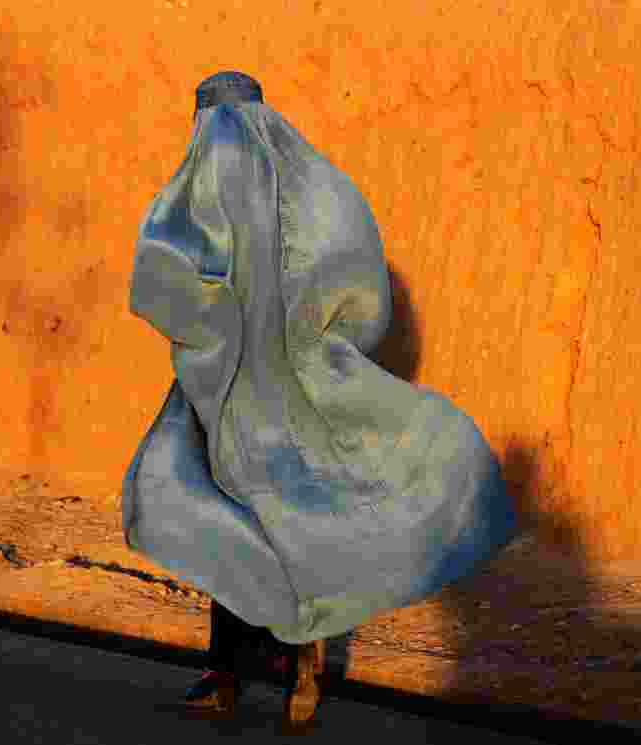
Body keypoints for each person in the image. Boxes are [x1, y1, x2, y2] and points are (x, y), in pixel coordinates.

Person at [122, 71, 519, 727]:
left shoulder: (252, 195)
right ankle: (252, 667)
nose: (223, 146)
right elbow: (187, 281)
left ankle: (279, 665)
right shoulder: (280, 193)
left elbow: (182, 281)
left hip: (267, 389)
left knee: (264, 519)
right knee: (253, 519)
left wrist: (294, 345)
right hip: (240, 388)